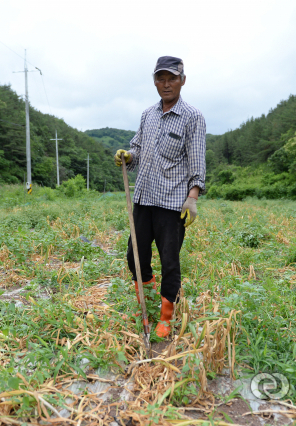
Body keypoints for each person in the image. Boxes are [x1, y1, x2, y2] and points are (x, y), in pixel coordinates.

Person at [114, 56, 206, 338]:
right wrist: (128, 156)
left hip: (171, 204)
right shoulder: (147, 115)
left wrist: (193, 197)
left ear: (183, 81)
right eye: (161, 79)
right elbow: (137, 150)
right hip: (143, 199)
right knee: (135, 257)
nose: (166, 84)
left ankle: (166, 316)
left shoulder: (192, 117)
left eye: (172, 79)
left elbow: (197, 162)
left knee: (170, 262)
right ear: (155, 81)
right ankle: (148, 302)